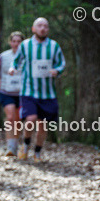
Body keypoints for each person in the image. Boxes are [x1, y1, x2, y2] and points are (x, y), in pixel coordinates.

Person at [9, 18, 65, 161]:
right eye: (39, 26)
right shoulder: (25, 45)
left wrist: (56, 71)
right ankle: (26, 145)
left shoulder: (54, 46)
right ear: (33, 29)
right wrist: (12, 68)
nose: (43, 28)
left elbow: (61, 63)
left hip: (48, 93)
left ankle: (37, 152)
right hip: (29, 90)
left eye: (45, 26)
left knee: (43, 125)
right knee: (31, 119)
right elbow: (16, 60)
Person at [0, 31, 24, 157]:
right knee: (10, 117)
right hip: (6, 91)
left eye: (19, 41)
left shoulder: (26, 56)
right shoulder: (3, 56)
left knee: (17, 120)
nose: (16, 44)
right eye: (14, 41)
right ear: (10, 42)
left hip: (22, 92)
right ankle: (10, 147)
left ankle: (15, 144)